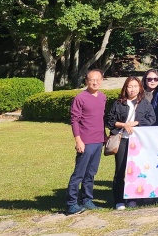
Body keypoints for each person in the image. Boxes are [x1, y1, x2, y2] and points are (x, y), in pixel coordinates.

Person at [106, 76, 155, 210]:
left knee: (138, 170)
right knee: (120, 171)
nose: (132, 89)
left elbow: (151, 119)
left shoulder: (144, 103)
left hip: (138, 142)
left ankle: (134, 198)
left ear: (139, 88)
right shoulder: (119, 103)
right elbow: (110, 121)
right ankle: (119, 200)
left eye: (135, 86)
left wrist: (136, 122)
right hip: (122, 140)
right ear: (125, 88)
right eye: (129, 86)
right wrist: (124, 124)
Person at [66, 69, 106, 214]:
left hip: (98, 141)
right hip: (85, 141)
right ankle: (71, 203)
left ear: (101, 80)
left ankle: (87, 200)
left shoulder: (102, 97)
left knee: (91, 173)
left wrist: (104, 137)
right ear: (86, 81)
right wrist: (78, 140)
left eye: (97, 79)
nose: (95, 82)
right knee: (79, 173)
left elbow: (101, 118)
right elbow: (74, 120)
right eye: (91, 79)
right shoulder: (80, 98)